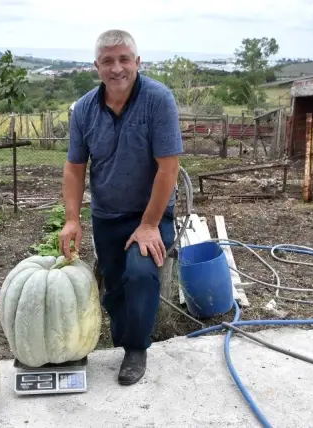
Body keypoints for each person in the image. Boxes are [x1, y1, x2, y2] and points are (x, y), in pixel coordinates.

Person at [59, 29, 183, 385]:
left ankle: (136, 348)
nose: (117, 68)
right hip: (107, 214)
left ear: (137, 63)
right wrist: (72, 219)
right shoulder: (84, 109)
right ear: (97, 66)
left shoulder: (158, 100)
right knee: (113, 285)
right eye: (108, 61)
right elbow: (74, 167)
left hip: (152, 213)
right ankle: (120, 338)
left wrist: (148, 224)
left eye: (124, 59)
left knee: (140, 272)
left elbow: (168, 168)